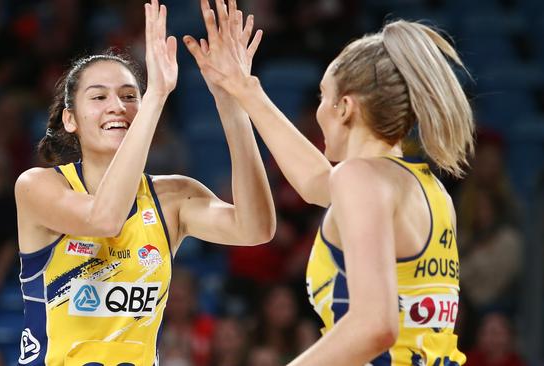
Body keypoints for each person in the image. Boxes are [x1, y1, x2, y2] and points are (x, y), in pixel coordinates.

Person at [184, 0, 474, 364]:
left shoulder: (361, 180)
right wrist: (244, 90)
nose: (318, 109)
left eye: (324, 96)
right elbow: (316, 182)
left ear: (345, 107)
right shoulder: (426, 188)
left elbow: (375, 326)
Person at [13, 0, 274, 365]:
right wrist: (154, 97)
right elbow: (105, 219)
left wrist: (232, 104)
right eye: (99, 97)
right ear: (70, 119)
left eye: (129, 96)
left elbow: (256, 229)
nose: (117, 106)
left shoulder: (174, 196)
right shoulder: (38, 186)